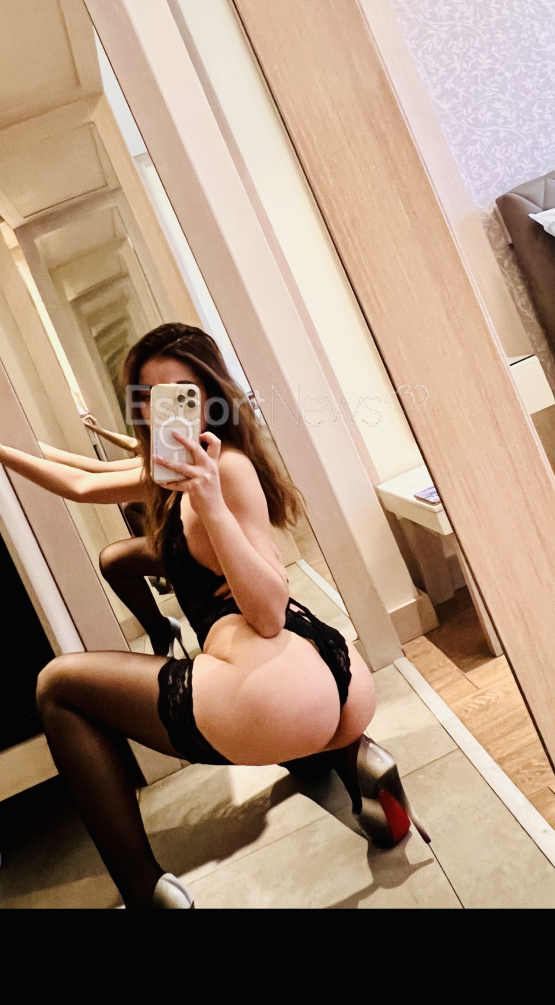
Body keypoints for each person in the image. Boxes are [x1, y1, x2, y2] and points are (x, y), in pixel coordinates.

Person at [0, 322, 430, 909]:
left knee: (58, 686)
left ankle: (146, 892)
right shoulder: (179, 468)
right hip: (323, 669)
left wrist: (212, 508)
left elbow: (269, 611)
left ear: (210, 396)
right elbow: (79, 481)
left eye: (181, 393)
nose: (161, 409)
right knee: (289, 736)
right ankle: (356, 759)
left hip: (275, 667)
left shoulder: (224, 470)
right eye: (149, 397)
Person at [38, 431, 179, 656]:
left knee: (120, 546)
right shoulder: (170, 454)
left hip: (203, 554)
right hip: (189, 545)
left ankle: (170, 601)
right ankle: (162, 626)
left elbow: (84, 483)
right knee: (118, 553)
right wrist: (31, 447)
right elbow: (98, 470)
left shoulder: (183, 460)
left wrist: (11, 451)